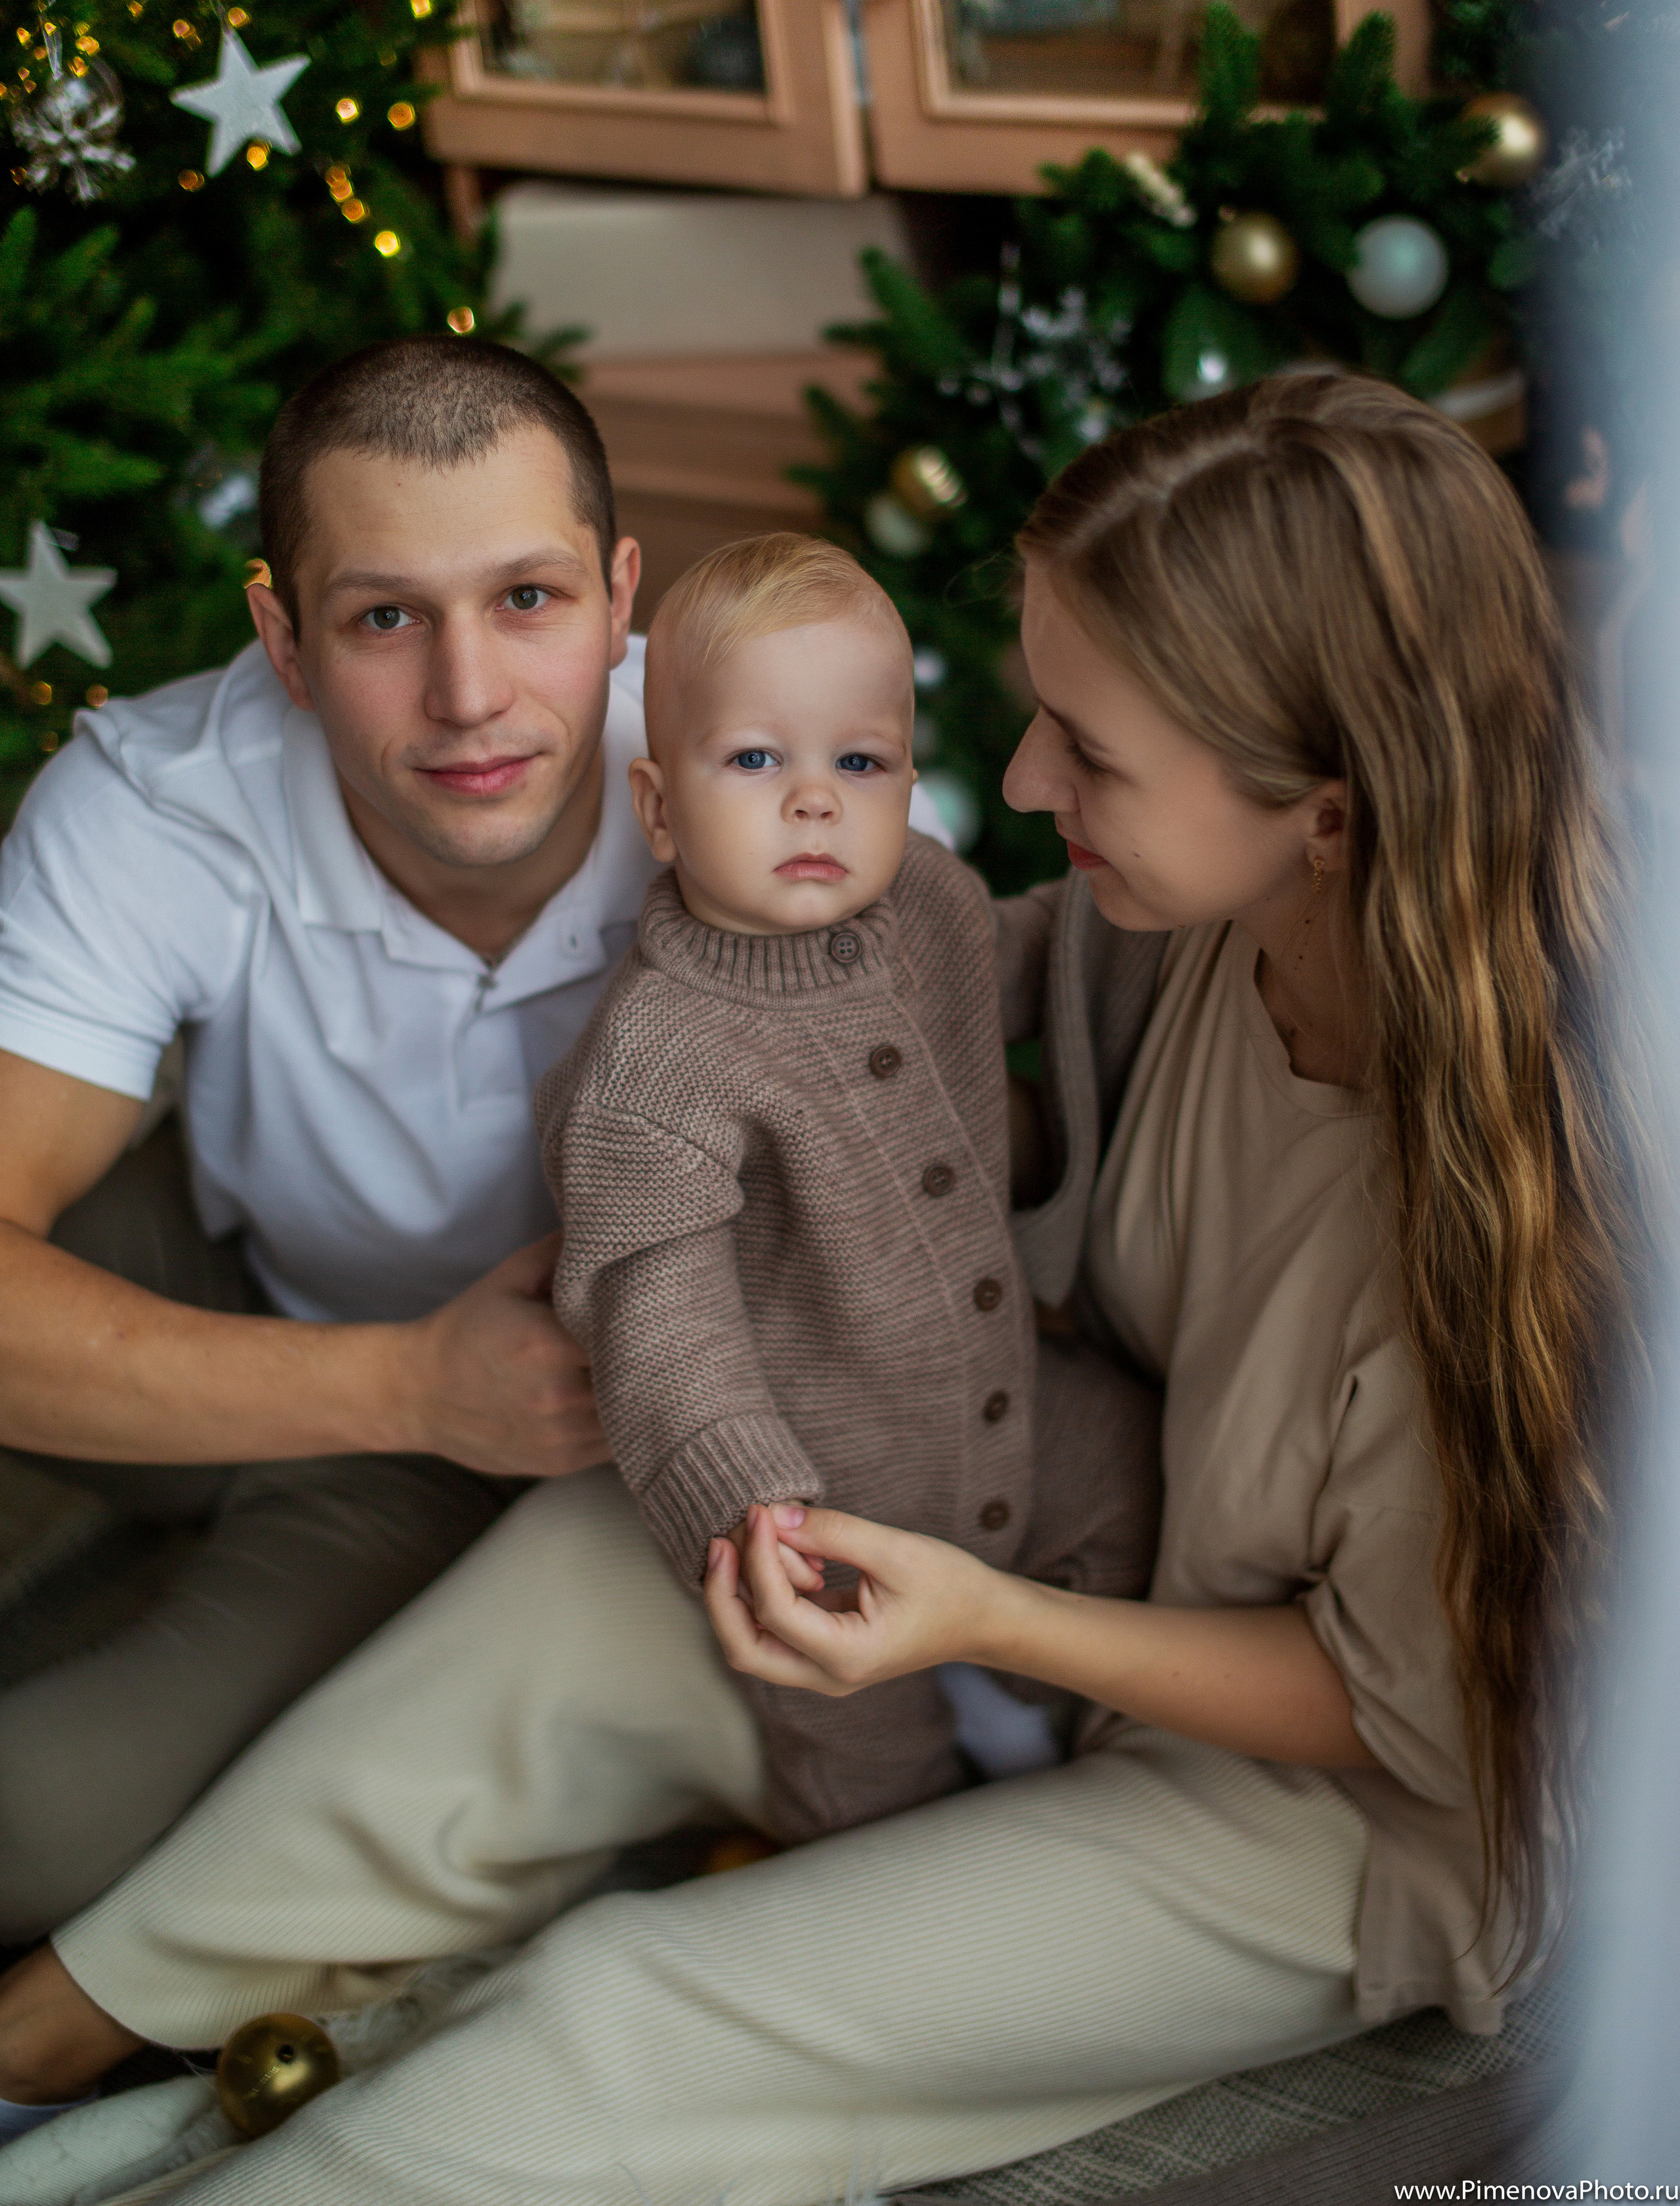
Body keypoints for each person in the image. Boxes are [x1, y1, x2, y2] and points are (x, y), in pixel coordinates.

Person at [0, 374, 1650, 2206]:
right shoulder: (1183, 934)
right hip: (1033, 1518)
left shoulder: (1522, 1197)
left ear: (1325, 812)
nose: (1016, 786)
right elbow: (899, 1025)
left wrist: (987, 1621)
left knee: (625, 2005)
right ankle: (70, 2019)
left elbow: (1409, 1708)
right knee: (565, 1585)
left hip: (1314, 1801)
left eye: (1087, 753)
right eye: (1036, 716)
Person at [0, 333, 648, 1936]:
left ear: (621, 598)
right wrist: (405, 1380)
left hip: (569, 1435)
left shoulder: (783, 789)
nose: (468, 697)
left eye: (528, 598)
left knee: (30, 1828)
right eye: (383, 619)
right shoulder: (157, 802)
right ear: (283, 642)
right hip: (274, 1294)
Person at [544, 532, 1158, 1842]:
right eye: (755, 760)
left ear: (906, 786)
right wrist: (752, 1504)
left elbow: (1022, 959)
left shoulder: (926, 901)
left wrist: (1139, 916)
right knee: (845, 1721)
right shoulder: (657, 1058)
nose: (815, 801)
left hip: (1004, 1409)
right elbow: (659, 1308)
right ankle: (880, 1861)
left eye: (861, 764)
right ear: (658, 807)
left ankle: (1061, 1733)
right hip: (827, 1494)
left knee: (1128, 1460)